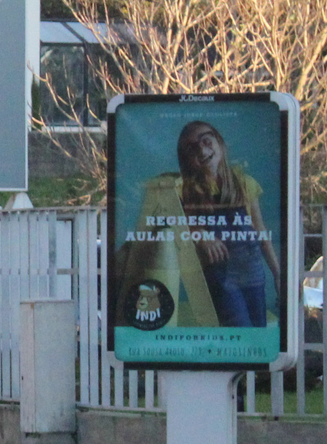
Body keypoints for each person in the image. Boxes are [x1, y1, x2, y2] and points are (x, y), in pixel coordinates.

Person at [118, 118, 280, 329]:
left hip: (252, 272)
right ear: (186, 159)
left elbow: (261, 233)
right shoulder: (182, 189)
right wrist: (198, 233)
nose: (202, 151)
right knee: (239, 328)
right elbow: (165, 215)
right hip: (220, 275)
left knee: (257, 329)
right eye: (192, 149)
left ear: (220, 143)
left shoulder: (244, 184)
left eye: (206, 141)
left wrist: (278, 274)